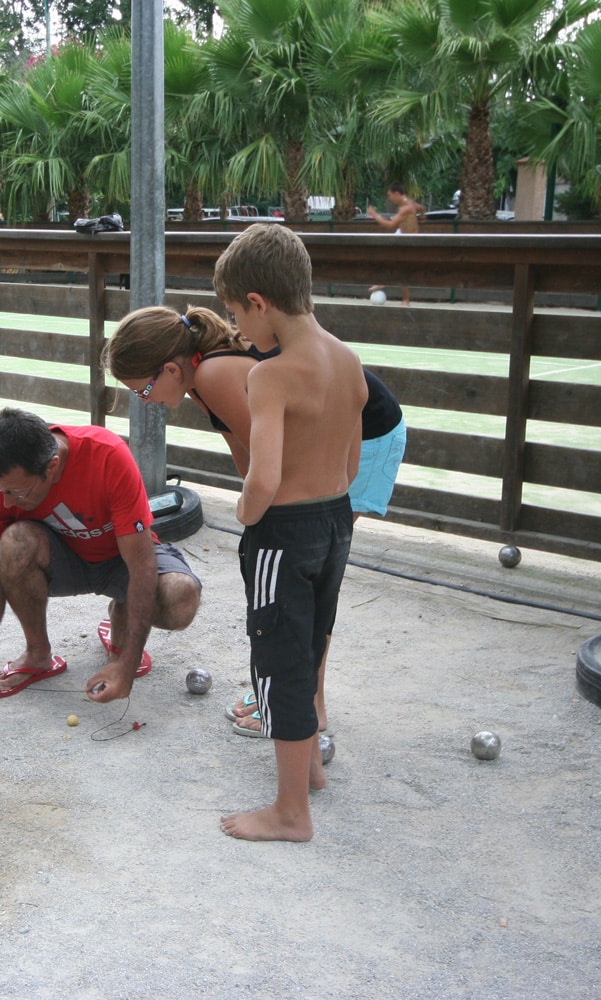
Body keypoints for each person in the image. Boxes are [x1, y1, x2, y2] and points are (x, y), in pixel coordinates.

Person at [103, 305, 406, 737]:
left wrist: (263, 519)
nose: (144, 400)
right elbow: (248, 455)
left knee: (309, 581)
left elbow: (282, 460)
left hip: (359, 435)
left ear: (171, 368)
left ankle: (306, 703)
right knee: (295, 579)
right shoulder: (200, 380)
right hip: (331, 437)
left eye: (143, 389)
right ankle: (290, 692)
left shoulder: (213, 374)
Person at [211, 223, 366, 842]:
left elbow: (264, 476)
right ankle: (310, 780)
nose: (240, 334)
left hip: (284, 533)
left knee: (278, 662)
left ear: (259, 303)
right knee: (310, 646)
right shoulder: (348, 359)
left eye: (237, 317)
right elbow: (353, 463)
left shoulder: (270, 375)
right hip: (335, 522)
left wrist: (247, 516)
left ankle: (289, 812)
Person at [0, 407, 203, 702]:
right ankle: (37, 654)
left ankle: (121, 618)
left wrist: (126, 666)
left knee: (181, 598)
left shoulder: (107, 455)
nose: (5, 502)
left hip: (122, 559)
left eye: (16, 492)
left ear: (52, 467)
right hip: (64, 561)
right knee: (14, 541)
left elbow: (142, 565)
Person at [366, 182, 422, 306]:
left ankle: (406, 299)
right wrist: (423, 217)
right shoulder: (410, 203)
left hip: (409, 240)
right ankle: (382, 281)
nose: (390, 198)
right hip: (401, 233)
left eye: (390, 195)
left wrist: (375, 215)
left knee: (401, 267)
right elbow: (421, 207)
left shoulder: (405, 208)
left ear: (397, 194)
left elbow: (390, 225)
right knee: (384, 253)